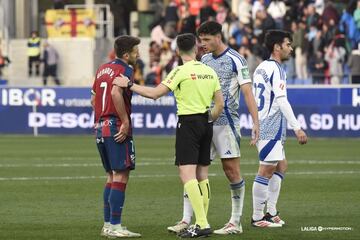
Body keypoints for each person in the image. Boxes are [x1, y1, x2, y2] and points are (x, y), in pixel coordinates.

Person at [114, 33, 224, 238]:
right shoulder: (210, 71)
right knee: (202, 175)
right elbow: (220, 103)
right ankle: (202, 222)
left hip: (189, 124)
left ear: (177, 51)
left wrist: (129, 84)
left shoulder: (180, 71)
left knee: (186, 174)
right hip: (206, 123)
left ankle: (201, 223)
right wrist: (209, 118)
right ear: (197, 48)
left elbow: (155, 94)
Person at [167, 21, 260, 235]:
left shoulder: (236, 59)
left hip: (226, 123)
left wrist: (256, 123)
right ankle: (187, 219)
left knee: (231, 170)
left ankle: (235, 222)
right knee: (194, 171)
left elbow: (247, 92)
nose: (203, 45)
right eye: (201, 41)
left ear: (219, 37)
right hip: (204, 124)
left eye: (207, 40)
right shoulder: (205, 60)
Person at [251, 30, 307, 227]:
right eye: (288, 44)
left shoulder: (261, 67)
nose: (291, 48)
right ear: (277, 47)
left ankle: (271, 211)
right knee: (266, 170)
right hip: (270, 125)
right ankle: (258, 217)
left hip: (266, 122)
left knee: (281, 165)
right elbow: (282, 101)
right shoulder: (277, 69)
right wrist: (297, 128)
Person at [90, 35, 141, 238]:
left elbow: (93, 99)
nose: (139, 54)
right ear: (126, 54)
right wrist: (125, 121)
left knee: (111, 175)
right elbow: (115, 94)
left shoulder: (102, 68)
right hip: (116, 127)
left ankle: (107, 225)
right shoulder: (125, 70)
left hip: (101, 127)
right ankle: (116, 226)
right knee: (121, 174)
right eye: (136, 51)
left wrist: (102, 118)